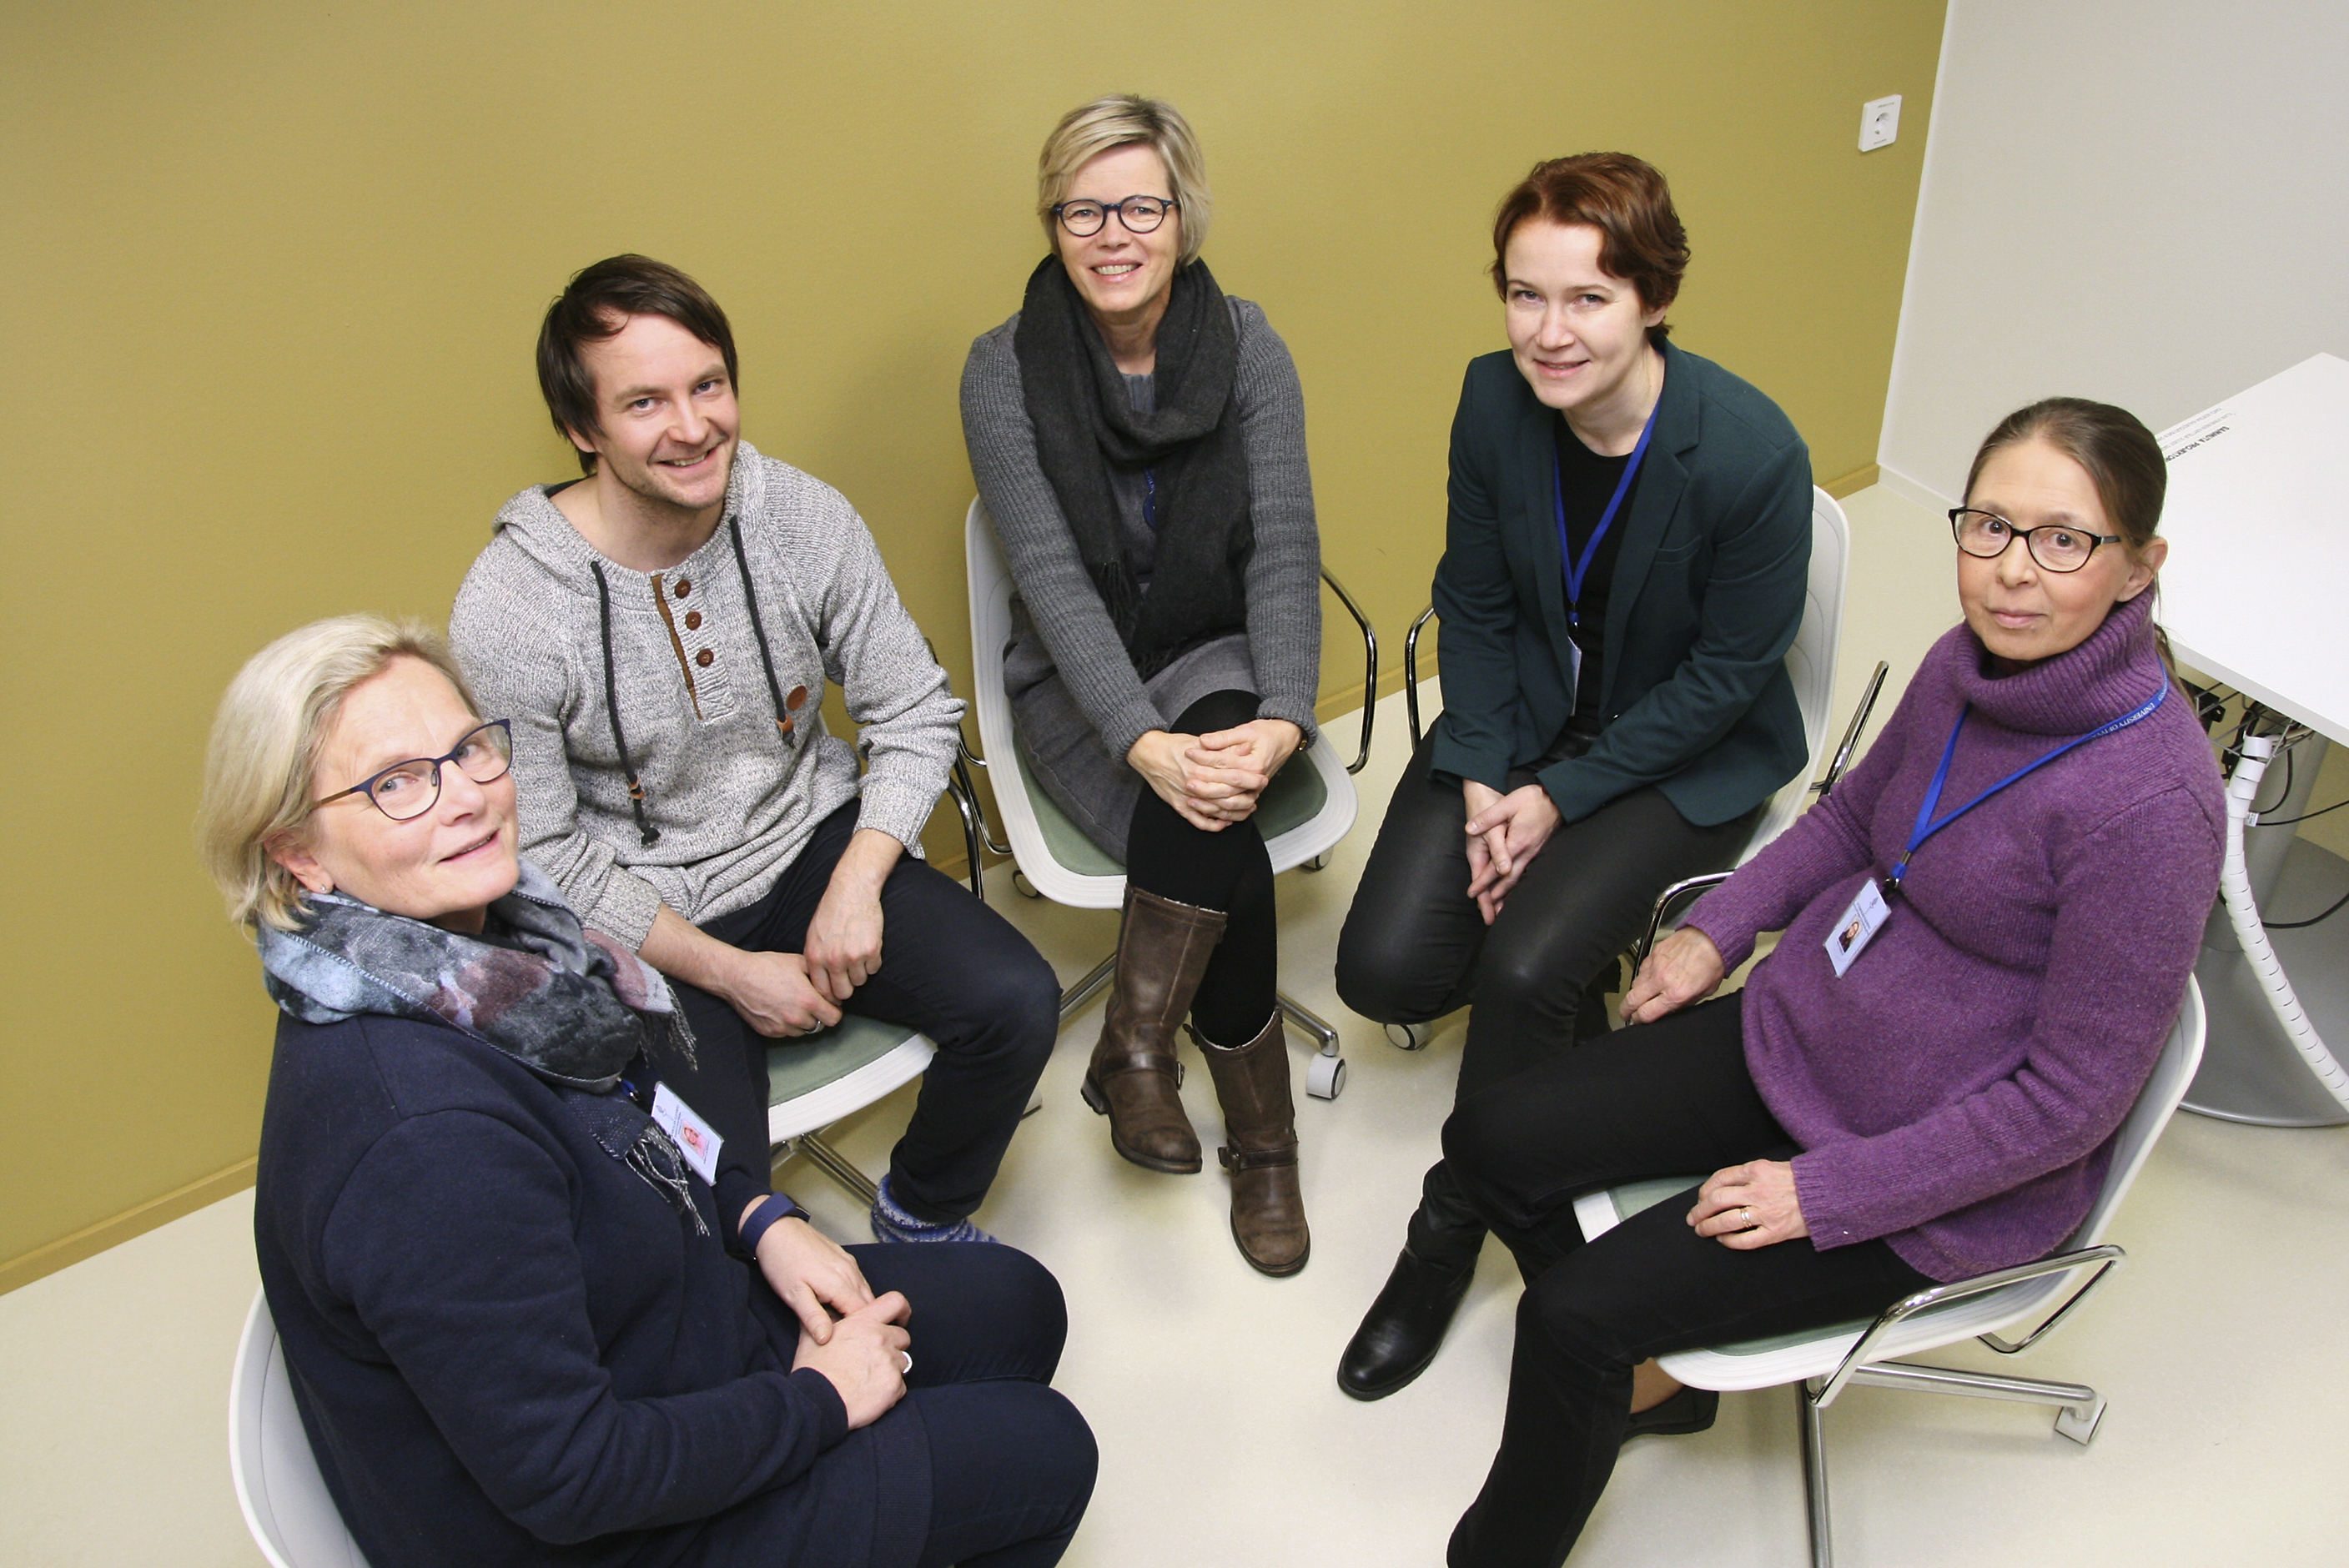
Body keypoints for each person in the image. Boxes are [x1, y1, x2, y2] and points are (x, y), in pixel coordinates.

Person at [1436, 399, 2224, 1566]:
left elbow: (2069, 1104)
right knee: (1490, 1137)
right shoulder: (1966, 665)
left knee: (1568, 1316)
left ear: (2138, 566)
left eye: (2063, 539)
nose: (2011, 570)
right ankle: (1651, 1376)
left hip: (1934, 1167)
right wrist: (1720, 928)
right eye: (1988, 525)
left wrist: (1827, 1192)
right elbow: (1856, 817)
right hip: (1806, 1031)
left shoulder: (2152, 807)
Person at [199, 616, 1096, 1568]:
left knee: (1019, 1304)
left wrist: (754, 1214)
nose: (465, 795)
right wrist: (821, 1401)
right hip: (615, 1523)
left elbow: (633, 1108)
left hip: (663, 1323)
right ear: (299, 853)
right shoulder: (423, 1142)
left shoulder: (496, 956)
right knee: (1047, 1455)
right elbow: (574, 1478)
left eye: (467, 748)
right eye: (396, 782)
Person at [453, 255, 1058, 1246]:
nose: (693, 426)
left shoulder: (798, 516)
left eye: (708, 385)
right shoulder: (511, 609)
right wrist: (731, 972)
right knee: (706, 1187)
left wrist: (857, 882)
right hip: (646, 910)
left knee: (1017, 1002)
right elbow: (545, 851)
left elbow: (911, 707)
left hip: (808, 840)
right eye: (644, 402)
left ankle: (920, 1211)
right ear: (580, 428)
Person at [1333, 153, 1814, 1395]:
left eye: (1588, 298)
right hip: (1522, 724)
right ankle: (1565, 1019)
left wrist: (1561, 797)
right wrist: (1484, 776)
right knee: (1381, 969)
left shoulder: (1751, 452)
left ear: (1654, 298)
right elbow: (1475, 602)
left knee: (1524, 969)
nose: (1548, 333)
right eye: (1524, 294)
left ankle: (1448, 1227)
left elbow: (1725, 679)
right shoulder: (1491, 402)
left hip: (1674, 750)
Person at [960, 95, 1323, 1276]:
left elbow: (1283, 544)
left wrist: (1284, 713)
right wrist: (1137, 737)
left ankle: (1135, 1046)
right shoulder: (1003, 371)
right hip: (1078, 680)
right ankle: (1264, 1144)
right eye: (1083, 211)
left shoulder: (1249, 346)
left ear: (1182, 216)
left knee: (1216, 779)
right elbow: (1049, 577)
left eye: (1140, 208)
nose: (1112, 235)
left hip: (1213, 650)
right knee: (1222, 838)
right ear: (1052, 223)